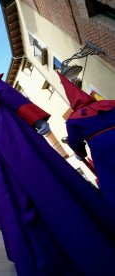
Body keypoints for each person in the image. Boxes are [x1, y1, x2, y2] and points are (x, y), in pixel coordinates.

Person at [0, 55, 115, 275]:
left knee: (7, 193)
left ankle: (26, 254)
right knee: (39, 174)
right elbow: (11, 97)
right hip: (7, 128)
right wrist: (36, 119)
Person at [57, 72, 115, 209]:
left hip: (102, 148)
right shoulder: (110, 103)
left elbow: (75, 142)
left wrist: (81, 153)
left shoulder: (73, 119)